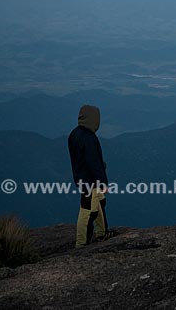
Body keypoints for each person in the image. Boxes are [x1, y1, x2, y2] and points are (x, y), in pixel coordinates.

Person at [68, 105, 110, 248]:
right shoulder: (89, 138)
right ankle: (81, 244)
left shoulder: (74, 134)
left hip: (80, 178)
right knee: (87, 212)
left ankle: (102, 233)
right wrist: (103, 182)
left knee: (99, 203)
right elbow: (94, 163)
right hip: (90, 182)